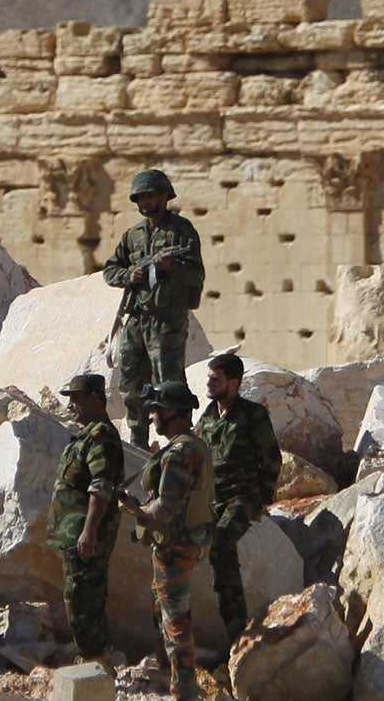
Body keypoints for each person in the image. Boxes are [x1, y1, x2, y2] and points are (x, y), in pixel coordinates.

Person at [120, 380, 214, 701]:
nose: (153, 415)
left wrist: (135, 510)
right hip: (178, 543)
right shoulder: (191, 445)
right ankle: (168, 671)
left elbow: (165, 509)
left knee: (175, 620)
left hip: (175, 545)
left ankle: (185, 699)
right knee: (162, 609)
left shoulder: (178, 453)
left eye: (158, 409)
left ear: (175, 412)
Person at [103, 169, 206, 450]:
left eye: (151, 195)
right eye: (141, 197)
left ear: (164, 196)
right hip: (136, 318)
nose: (146, 201)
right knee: (130, 382)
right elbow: (110, 270)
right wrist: (130, 275)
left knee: (169, 385)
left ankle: (179, 443)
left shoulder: (181, 231)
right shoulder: (133, 236)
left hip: (167, 320)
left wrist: (169, 266)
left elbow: (196, 276)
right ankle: (138, 441)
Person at [196, 352, 281, 643]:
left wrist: (263, 500)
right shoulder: (207, 418)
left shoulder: (252, 415)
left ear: (233, 384)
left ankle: (236, 625)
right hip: (211, 499)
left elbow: (271, 458)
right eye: (208, 377)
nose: (208, 383)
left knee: (221, 543)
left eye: (214, 379)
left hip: (241, 497)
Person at [48, 372, 124, 663]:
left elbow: (101, 486)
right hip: (74, 535)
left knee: (84, 601)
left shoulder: (100, 436)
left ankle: (94, 663)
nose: (70, 407)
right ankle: (93, 659)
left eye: (76, 400)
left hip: (86, 536)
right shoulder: (88, 434)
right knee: (79, 599)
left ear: (94, 399)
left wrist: (89, 531)